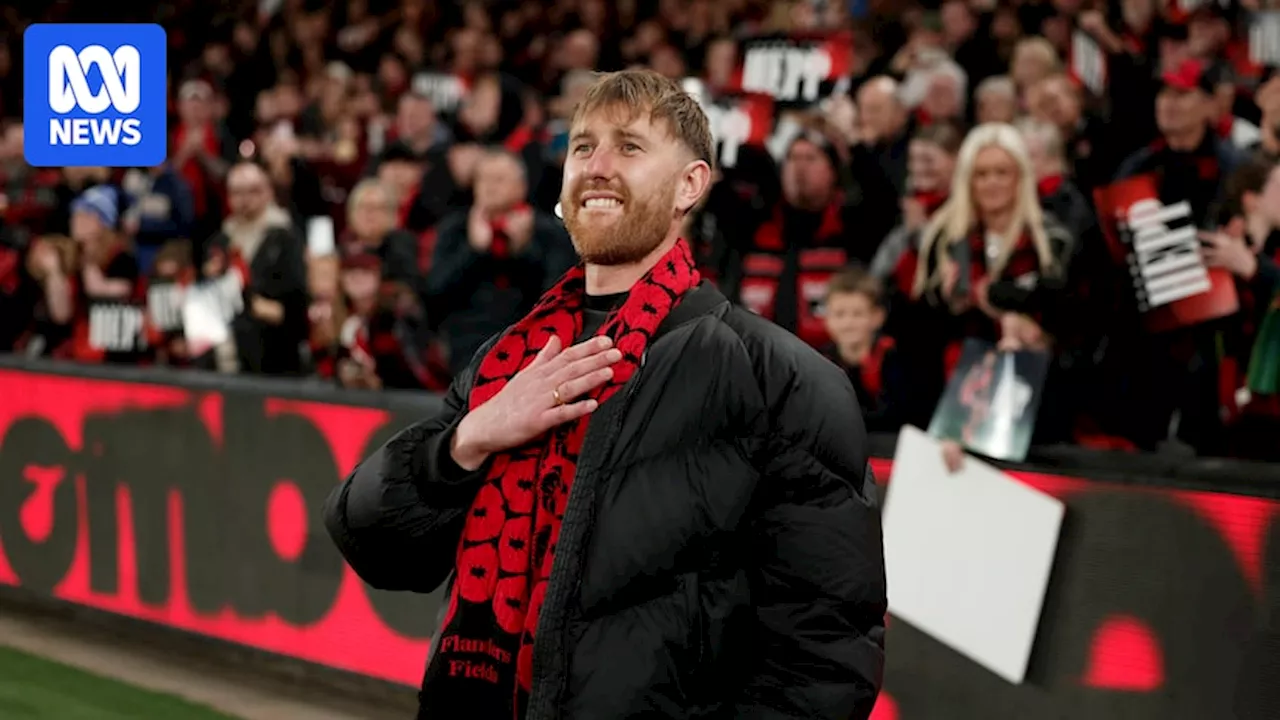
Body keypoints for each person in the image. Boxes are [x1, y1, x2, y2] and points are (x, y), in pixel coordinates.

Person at [324, 68, 886, 719]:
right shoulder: (511, 359)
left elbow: (825, 659)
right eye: (582, 146)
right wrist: (467, 440)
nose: (596, 165)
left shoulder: (779, 378)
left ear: (691, 185)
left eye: (629, 146)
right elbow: (372, 542)